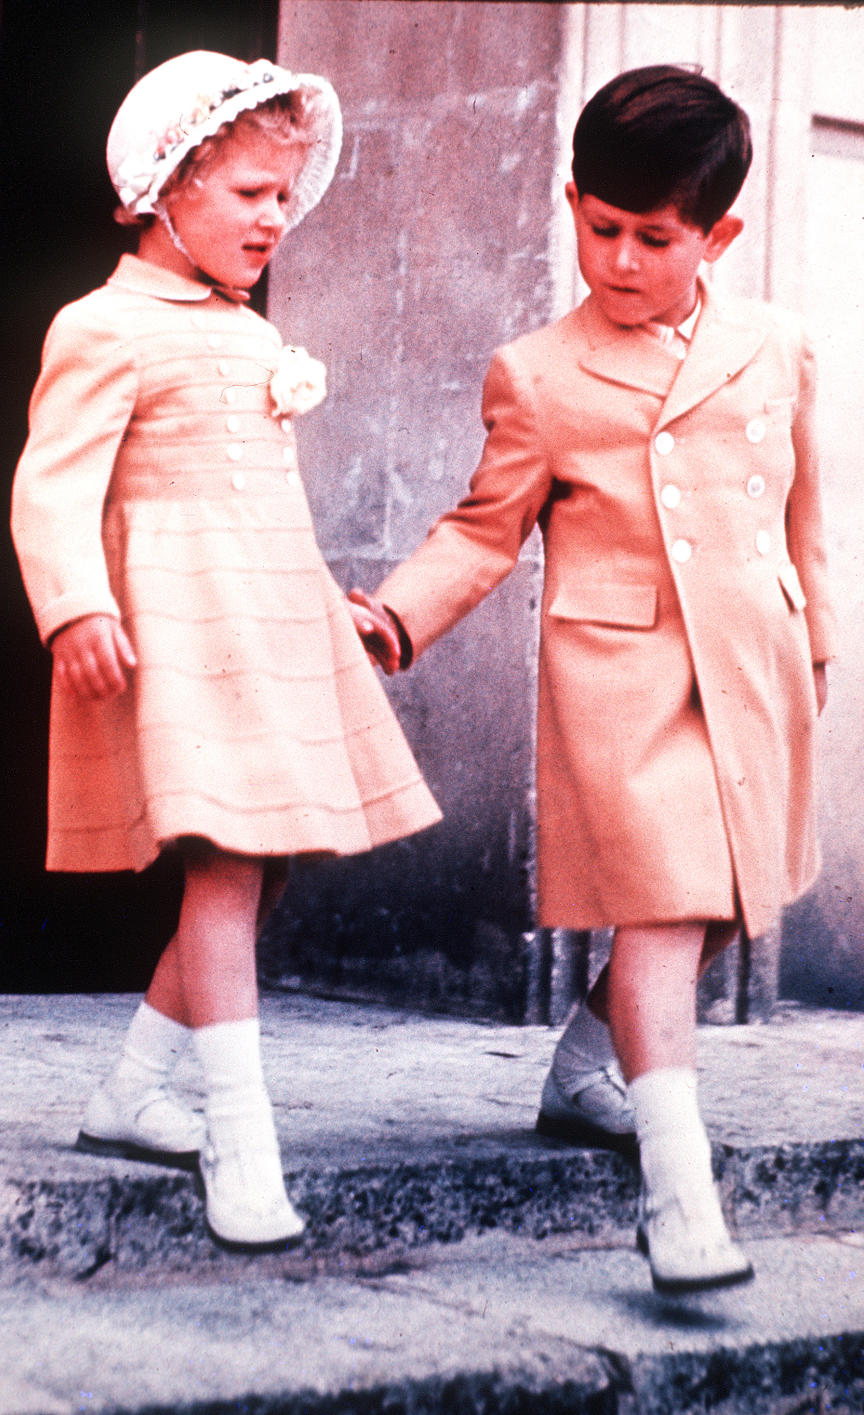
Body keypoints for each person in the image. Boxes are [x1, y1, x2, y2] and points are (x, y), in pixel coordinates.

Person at [350, 65, 836, 1293]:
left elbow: (809, 511)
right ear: (571, 200)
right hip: (621, 679)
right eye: (599, 227)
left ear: (714, 234)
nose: (618, 259)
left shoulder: (778, 344)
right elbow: (481, 527)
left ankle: (584, 1067)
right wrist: (397, 617)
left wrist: (817, 637)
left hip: (754, 663)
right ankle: (681, 1198)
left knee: (726, 901)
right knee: (668, 906)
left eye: (653, 238)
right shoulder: (540, 372)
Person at [11, 51, 440, 1252]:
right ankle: (240, 1136)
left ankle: (134, 1085)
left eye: (284, 195)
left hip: (263, 623)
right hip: (181, 630)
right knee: (227, 860)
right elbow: (52, 484)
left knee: (273, 865)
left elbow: (259, 503)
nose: (275, 217)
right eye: (250, 192)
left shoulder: (248, 332)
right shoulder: (103, 325)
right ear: (169, 188)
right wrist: (75, 603)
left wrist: (321, 609)